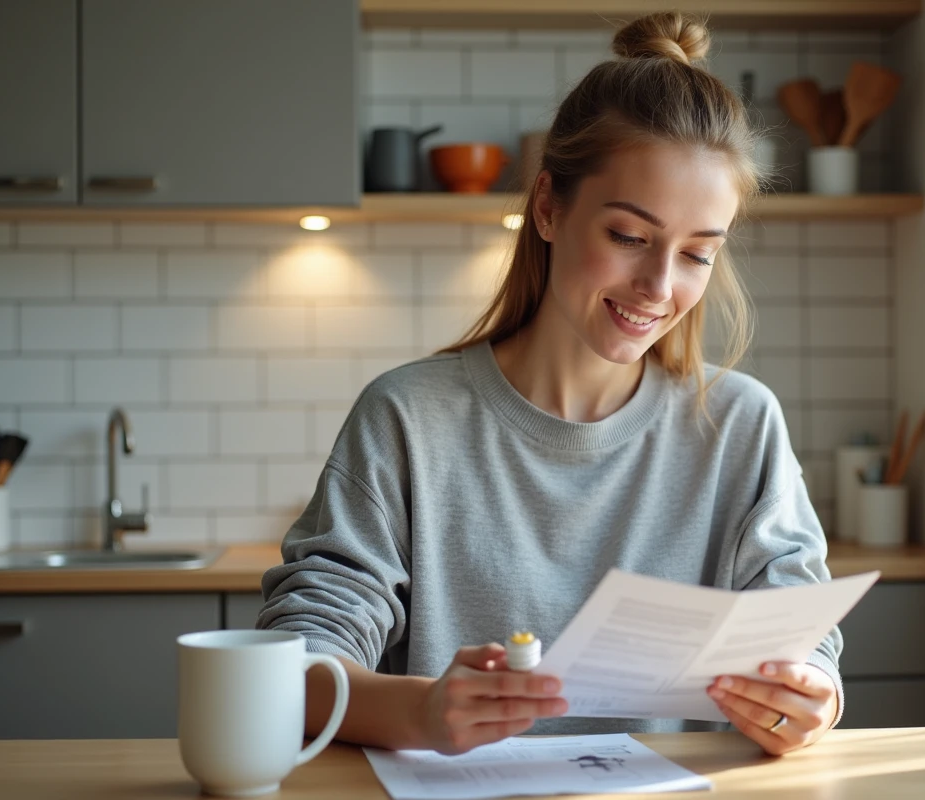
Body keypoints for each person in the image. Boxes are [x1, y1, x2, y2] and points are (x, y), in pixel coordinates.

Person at [259, 10, 843, 757]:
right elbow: (298, 658)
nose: (659, 285)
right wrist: (421, 713)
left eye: (698, 254)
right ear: (546, 207)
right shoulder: (408, 417)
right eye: (630, 237)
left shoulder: (740, 424)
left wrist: (809, 699)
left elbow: (804, 637)